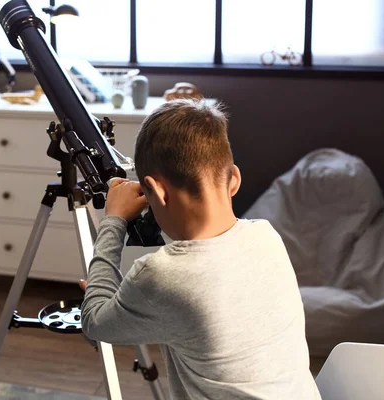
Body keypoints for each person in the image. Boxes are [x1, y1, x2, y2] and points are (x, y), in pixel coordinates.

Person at [79, 99, 321, 400]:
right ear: (233, 180)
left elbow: (94, 323)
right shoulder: (267, 235)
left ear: (156, 191)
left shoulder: (162, 275)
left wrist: (114, 219)